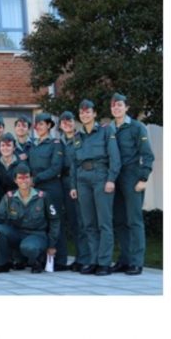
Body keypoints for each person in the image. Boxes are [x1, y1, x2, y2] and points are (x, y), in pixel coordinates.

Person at [69, 99, 121, 276]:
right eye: (82, 112)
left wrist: (111, 179)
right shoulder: (77, 136)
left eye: (88, 111)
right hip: (82, 179)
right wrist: (73, 185)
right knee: (89, 223)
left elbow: (115, 157)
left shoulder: (106, 131)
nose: (84, 114)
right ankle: (93, 260)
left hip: (101, 177)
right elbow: (73, 164)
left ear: (94, 113)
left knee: (104, 222)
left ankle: (104, 262)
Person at [109, 93, 154, 276]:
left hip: (132, 178)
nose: (116, 108)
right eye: (113, 106)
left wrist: (143, 178)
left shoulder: (136, 127)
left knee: (134, 221)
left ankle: (136, 262)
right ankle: (124, 259)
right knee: (119, 221)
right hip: (115, 179)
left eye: (119, 105)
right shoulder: (109, 129)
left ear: (126, 107)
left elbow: (147, 154)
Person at [0, 163, 60, 273]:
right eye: (20, 178)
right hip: (17, 233)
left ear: (31, 179)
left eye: (26, 177)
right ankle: (2, 264)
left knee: (28, 247)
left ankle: (37, 261)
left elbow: (54, 221)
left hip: (37, 235)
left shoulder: (43, 197)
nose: (23, 181)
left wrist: (52, 245)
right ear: (15, 180)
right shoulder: (9, 197)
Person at [28, 113, 68, 271]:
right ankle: (41, 259)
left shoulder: (56, 143)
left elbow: (56, 168)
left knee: (56, 222)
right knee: (39, 224)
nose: (38, 127)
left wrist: (35, 179)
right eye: (37, 124)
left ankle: (60, 261)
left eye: (42, 124)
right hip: (36, 189)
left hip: (52, 188)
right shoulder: (33, 145)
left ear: (49, 126)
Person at [58, 111, 90, 271]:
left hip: (78, 183)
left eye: (69, 120)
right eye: (63, 121)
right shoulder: (59, 142)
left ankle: (86, 258)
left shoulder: (82, 138)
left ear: (74, 122)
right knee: (73, 221)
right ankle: (79, 257)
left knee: (81, 222)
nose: (67, 123)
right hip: (63, 183)